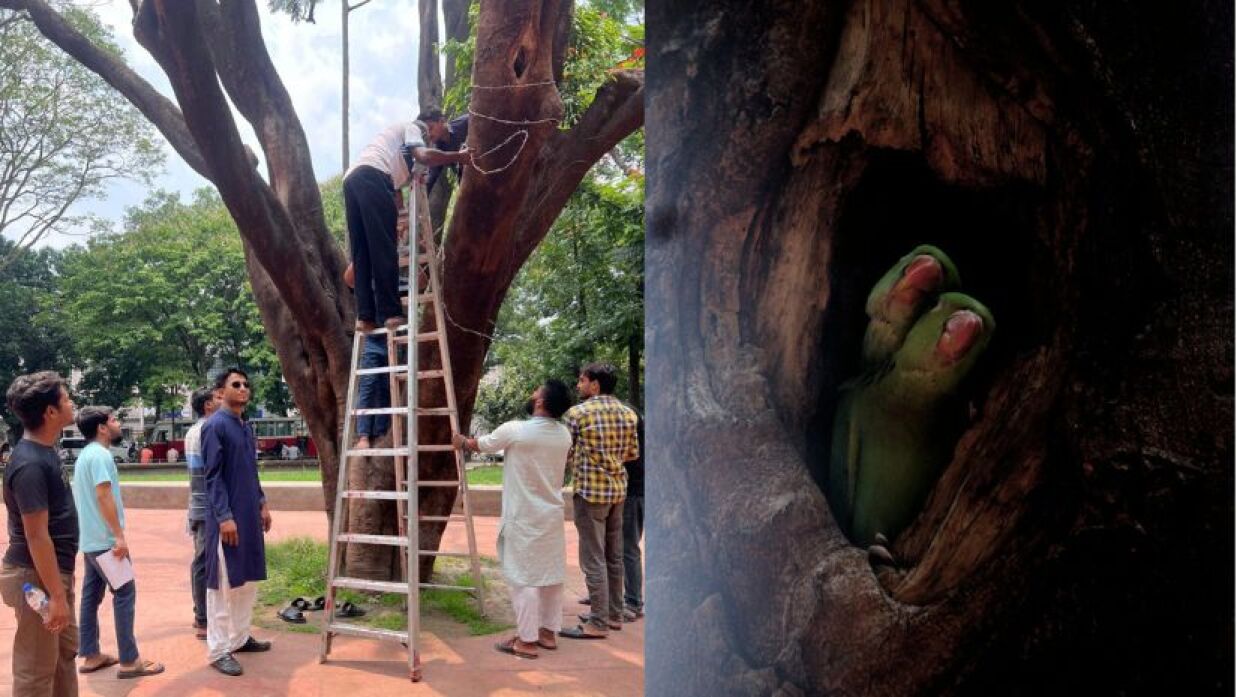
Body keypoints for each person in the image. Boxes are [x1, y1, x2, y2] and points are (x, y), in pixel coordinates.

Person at [453, 379, 574, 659]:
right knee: (551, 575)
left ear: (541, 402)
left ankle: (526, 640)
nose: (532, 393)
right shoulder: (564, 435)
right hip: (551, 516)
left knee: (523, 577)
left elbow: (480, 444)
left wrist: (461, 442)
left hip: (522, 517)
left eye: (536, 391)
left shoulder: (515, 430)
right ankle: (548, 633)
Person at [344, 109, 471, 333]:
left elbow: (394, 190)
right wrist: (459, 157)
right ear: (426, 127)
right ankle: (390, 313)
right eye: (428, 136)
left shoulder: (390, 150)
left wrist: (401, 215)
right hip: (373, 177)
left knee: (361, 252)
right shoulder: (412, 128)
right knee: (384, 248)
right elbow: (423, 156)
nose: (430, 140)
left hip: (352, 180)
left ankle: (365, 317)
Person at [0, 372, 79, 697]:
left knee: (63, 657)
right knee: (35, 670)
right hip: (36, 576)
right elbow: (36, 536)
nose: (72, 403)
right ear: (50, 412)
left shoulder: (46, 451)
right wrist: (57, 596)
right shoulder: (30, 464)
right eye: (66, 398)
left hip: (52, 573)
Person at [71, 406, 164, 679]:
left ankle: (91, 654)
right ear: (102, 427)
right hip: (106, 541)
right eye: (113, 420)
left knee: (91, 596)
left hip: (91, 541)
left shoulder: (85, 456)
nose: (117, 423)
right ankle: (129, 660)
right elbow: (103, 496)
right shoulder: (101, 456)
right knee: (124, 593)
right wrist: (118, 536)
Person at [559, 363, 640, 640]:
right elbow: (631, 454)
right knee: (613, 556)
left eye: (582, 380)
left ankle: (598, 622)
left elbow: (564, 451)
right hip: (618, 492)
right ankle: (614, 614)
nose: (578, 385)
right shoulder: (628, 414)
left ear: (595, 385)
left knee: (593, 558)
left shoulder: (577, 414)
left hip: (590, 494)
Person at [202, 369, 273, 677]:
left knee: (248, 580)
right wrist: (224, 517)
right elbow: (212, 477)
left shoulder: (245, 426)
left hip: (249, 516)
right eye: (236, 384)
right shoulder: (215, 426)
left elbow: (251, 470)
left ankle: (240, 638)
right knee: (222, 585)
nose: (243, 388)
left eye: (246, 384)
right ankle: (219, 650)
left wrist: (262, 503)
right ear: (220, 392)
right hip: (227, 520)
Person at [184, 386, 223, 639]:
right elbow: (212, 475)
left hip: (200, 505)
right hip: (206, 507)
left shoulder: (196, 431)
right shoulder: (205, 431)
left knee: (204, 560)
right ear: (208, 405)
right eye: (217, 397)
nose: (222, 399)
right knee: (203, 561)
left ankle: (204, 615)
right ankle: (202, 619)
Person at [621, 411, 645, 621]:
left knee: (628, 548)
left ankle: (633, 602)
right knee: (626, 547)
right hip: (637, 492)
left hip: (633, 494)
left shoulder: (627, 419)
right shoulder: (633, 417)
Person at [426, 113, 469, 194]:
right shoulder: (438, 152)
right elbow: (430, 179)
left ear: (442, 121)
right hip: (469, 187)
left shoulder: (466, 121)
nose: (429, 135)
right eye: (425, 132)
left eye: (430, 128)